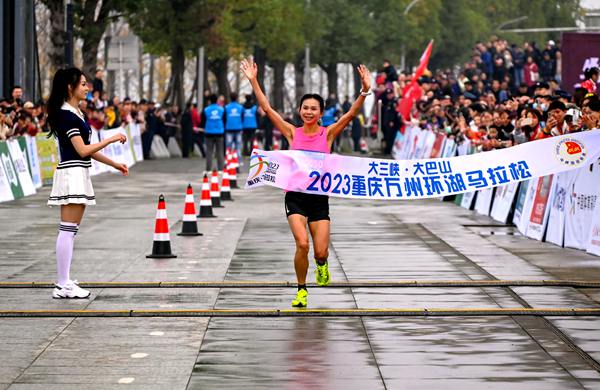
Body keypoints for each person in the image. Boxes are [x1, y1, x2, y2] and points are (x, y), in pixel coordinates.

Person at [241, 57, 371, 308]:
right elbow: (267, 109)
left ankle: (321, 266)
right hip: (296, 197)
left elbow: (352, 113)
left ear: (321, 113)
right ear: (300, 110)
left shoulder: (328, 133)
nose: (308, 111)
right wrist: (254, 81)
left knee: (320, 252)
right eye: (305, 108)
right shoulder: (292, 132)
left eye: (314, 108)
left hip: (319, 199)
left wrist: (365, 90)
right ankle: (301, 290)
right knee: (302, 243)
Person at [46, 67, 128, 299]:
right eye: (82, 84)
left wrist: (114, 164)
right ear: (70, 87)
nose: (87, 87)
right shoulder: (67, 115)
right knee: (67, 230)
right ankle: (63, 284)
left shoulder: (76, 113)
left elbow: (85, 152)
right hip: (71, 173)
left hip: (78, 171)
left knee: (70, 231)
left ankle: (65, 280)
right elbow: (82, 149)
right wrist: (110, 139)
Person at [201, 94, 225, 172]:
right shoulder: (221, 109)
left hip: (209, 132)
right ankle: (221, 169)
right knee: (220, 151)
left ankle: (208, 169)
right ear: (217, 100)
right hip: (220, 132)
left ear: (210, 101)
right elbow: (224, 120)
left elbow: (202, 121)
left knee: (209, 151)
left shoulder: (206, 110)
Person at [225, 92, 244, 161]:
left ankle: (228, 161)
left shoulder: (226, 107)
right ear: (236, 98)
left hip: (229, 129)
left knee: (229, 147)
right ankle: (238, 161)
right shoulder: (240, 107)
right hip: (238, 129)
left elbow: (224, 118)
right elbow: (242, 117)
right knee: (238, 147)